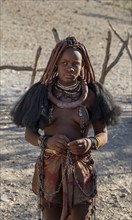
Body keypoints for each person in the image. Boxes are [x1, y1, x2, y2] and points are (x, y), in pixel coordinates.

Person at [10, 36, 121, 220]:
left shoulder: (92, 96)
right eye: (64, 63)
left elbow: (103, 134)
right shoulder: (42, 94)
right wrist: (46, 141)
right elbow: (29, 134)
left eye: (75, 64)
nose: (70, 68)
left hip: (80, 171)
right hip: (50, 171)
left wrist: (90, 142)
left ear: (82, 65)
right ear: (55, 64)